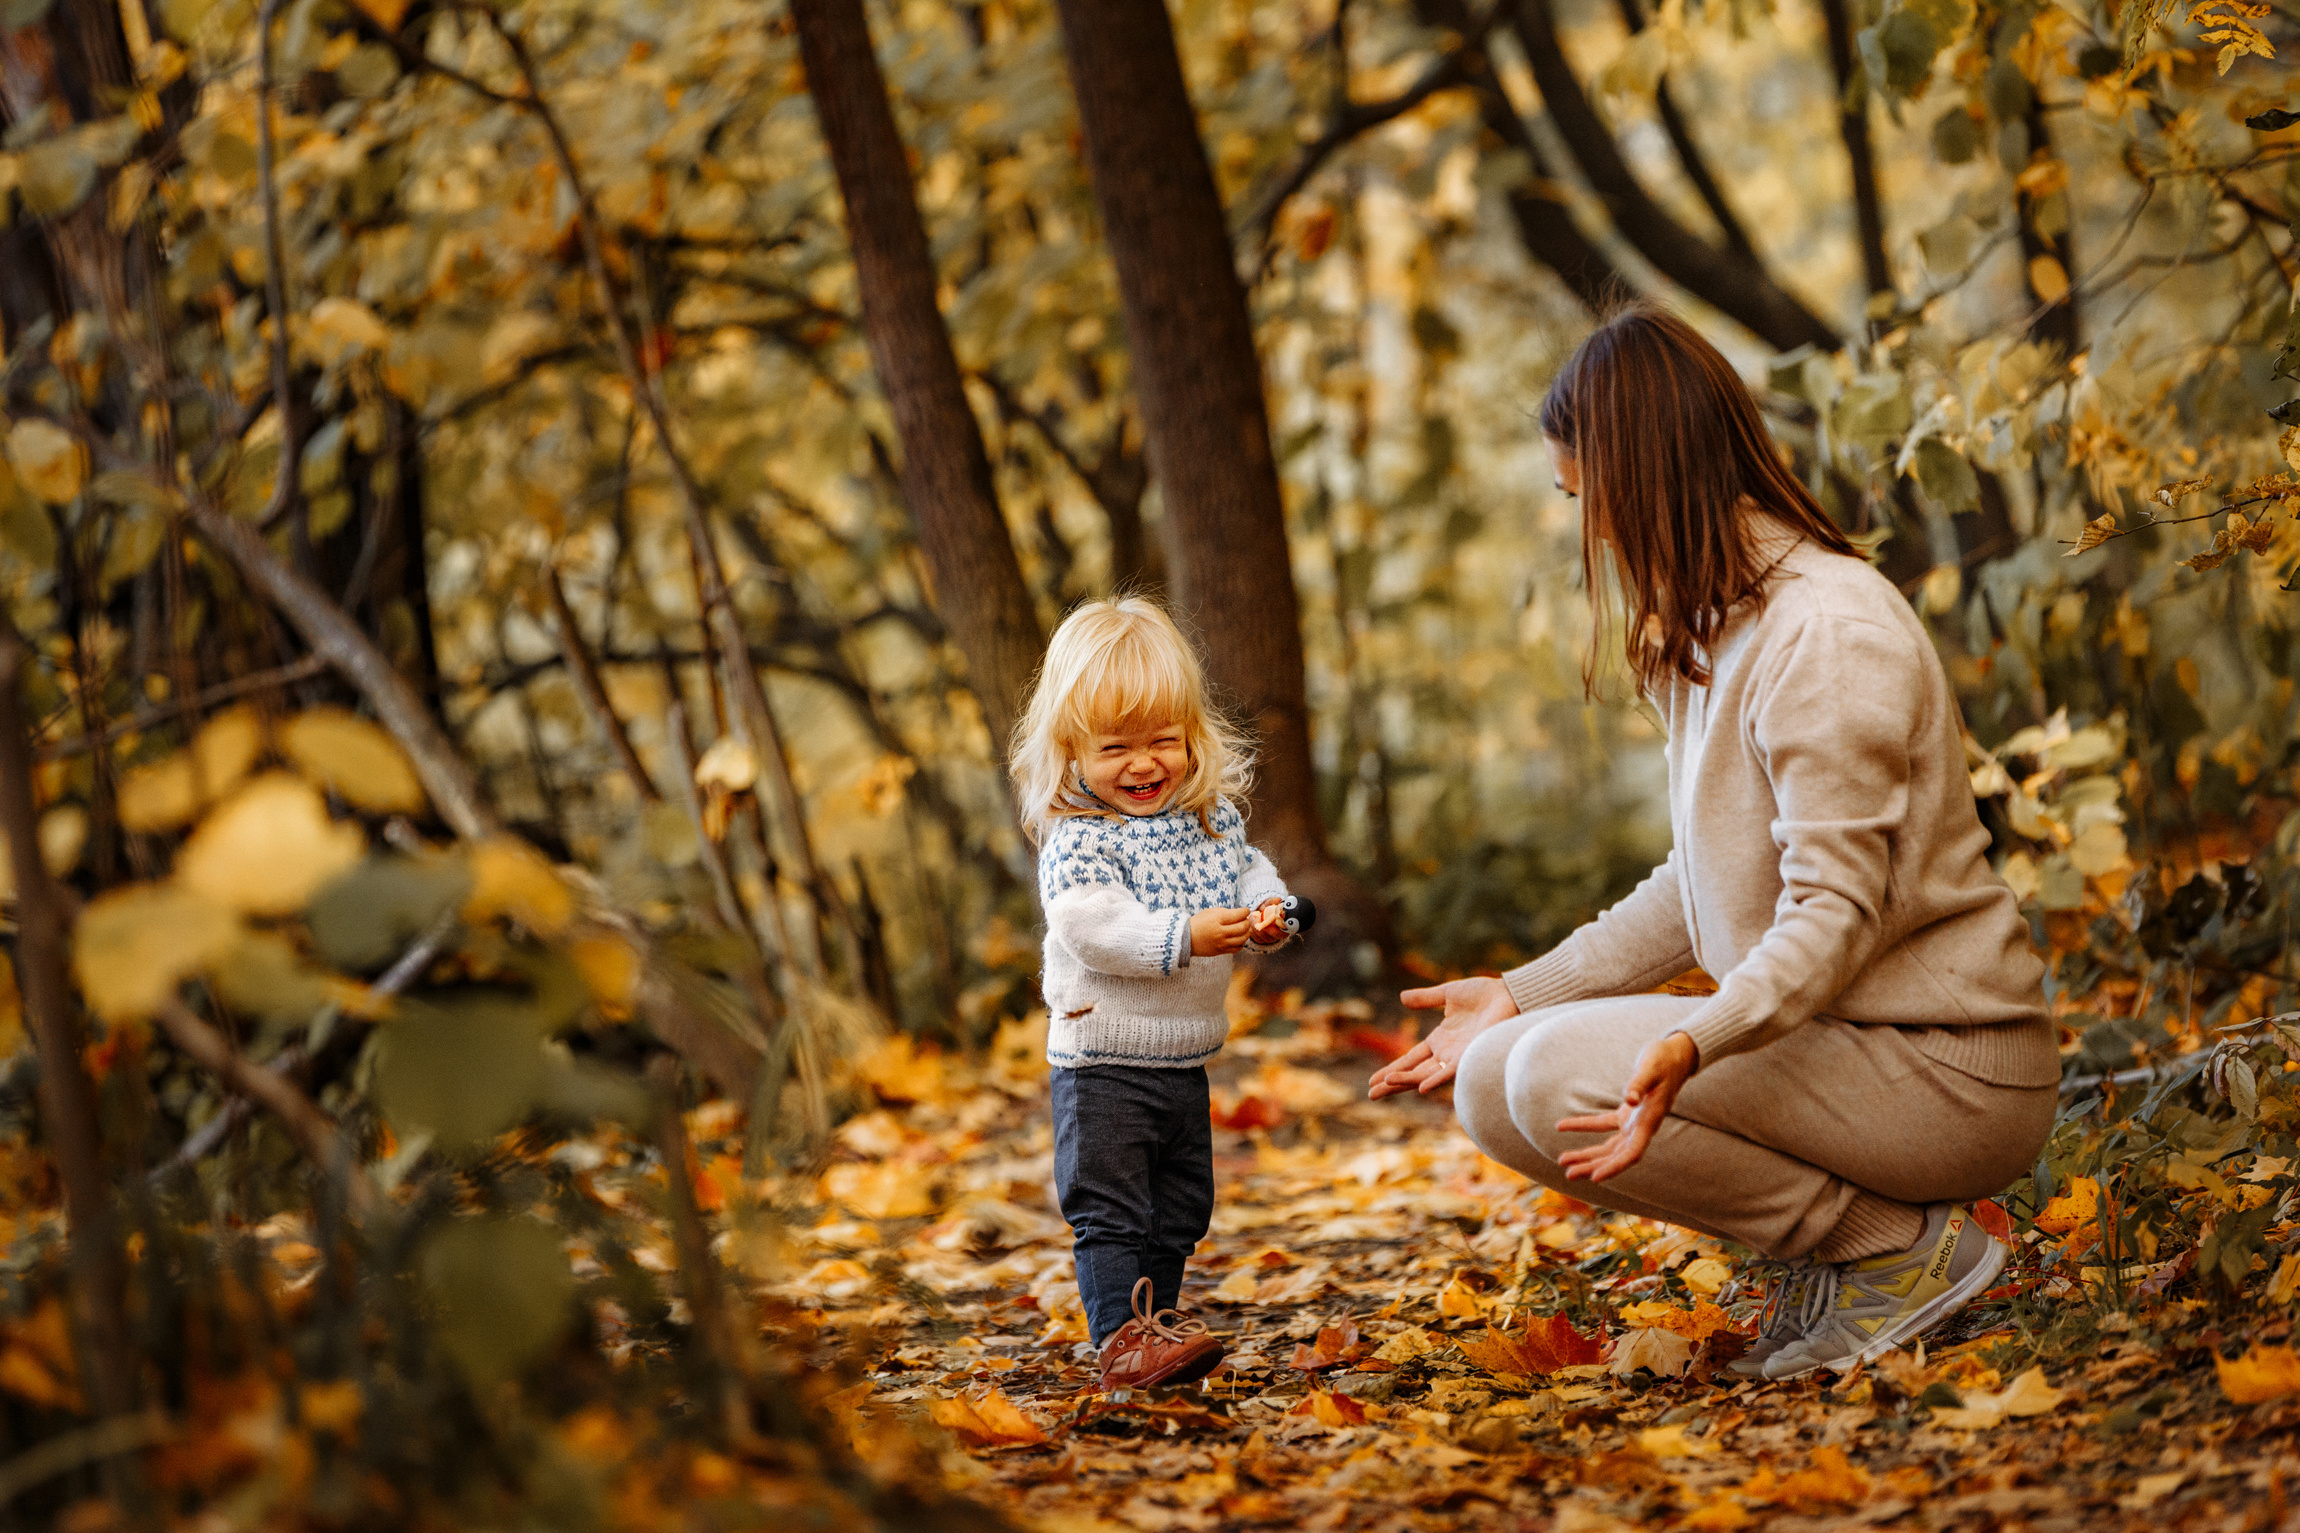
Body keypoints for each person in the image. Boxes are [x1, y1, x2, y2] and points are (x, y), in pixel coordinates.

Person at [1368, 306, 2058, 1381]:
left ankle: (1898, 1254)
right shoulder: (1720, 626)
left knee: (1549, 1075)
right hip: (1839, 1048)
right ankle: (1868, 1253)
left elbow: (1833, 912)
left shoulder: (1824, 635)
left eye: (1587, 499)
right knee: (1493, 1075)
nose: (1592, 533)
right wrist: (1518, 989)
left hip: (1945, 1069)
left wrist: (1699, 1038)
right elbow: (1697, 881)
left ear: (1644, 479)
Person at [1012, 596, 1302, 1390]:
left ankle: (1158, 1323)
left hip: (1183, 1056)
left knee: (1179, 1204)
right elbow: (1090, 925)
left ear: (1191, 735)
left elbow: (1249, 872)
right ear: (1072, 751)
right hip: (1102, 1057)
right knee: (1111, 1207)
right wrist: (1184, 935)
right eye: (1116, 747)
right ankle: (1120, 1338)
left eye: (1162, 741)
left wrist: (1270, 910)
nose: (1143, 764)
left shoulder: (1209, 821)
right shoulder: (1081, 838)